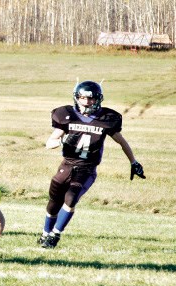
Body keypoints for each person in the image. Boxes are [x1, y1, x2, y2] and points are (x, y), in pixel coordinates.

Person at [38, 80, 146, 248]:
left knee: (71, 198)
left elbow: (122, 142)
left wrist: (133, 161)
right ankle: (45, 233)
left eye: (91, 98)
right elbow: (50, 142)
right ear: (77, 98)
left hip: (87, 169)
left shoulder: (106, 119)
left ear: (98, 99)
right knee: (54, 202)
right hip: (67, 165)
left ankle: (55, 234)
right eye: (83, 98)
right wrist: (62, 142)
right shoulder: (67, 115)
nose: (87, 102)